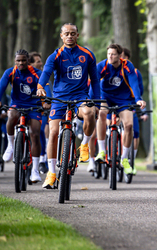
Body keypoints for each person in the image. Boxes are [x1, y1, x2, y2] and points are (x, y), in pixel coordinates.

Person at [36, 23, 100, 189]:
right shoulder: (55, 55)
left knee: (89, 113)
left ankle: (84, 145)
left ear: (77, 35)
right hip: (60, 98)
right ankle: (51, 174)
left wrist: (97, 100)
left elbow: (94, 79)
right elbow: (46, 73)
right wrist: (40, 87)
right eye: (66, 34)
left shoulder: (87, 55)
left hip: (80, 96)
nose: (70, 36)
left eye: (73, 33)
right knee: (54, 131)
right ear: (61, 36)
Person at [0, 49, 50, 183]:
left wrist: (47, 101)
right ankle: (10, 146)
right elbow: (2, 86)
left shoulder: (37, 73)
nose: (21, 63)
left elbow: (46, 87)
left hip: (34, 105)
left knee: (35, 133)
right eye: (18, 60)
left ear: (28, 60)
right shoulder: (10, 72)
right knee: (11, 117)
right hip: (17, 104)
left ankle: (34, 170)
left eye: (23, 60)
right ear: (15, 60)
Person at [95, 44, 146, 175]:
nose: (110, 57)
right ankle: (101, 151)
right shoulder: (102, 65)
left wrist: (138, 99)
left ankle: (124, 159)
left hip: (124, 99)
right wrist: (91, 99)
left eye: (113, 54)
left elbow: (134, 82)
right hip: (106, 96)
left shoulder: (127, 65)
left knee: (129, 126)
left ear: (119, 55)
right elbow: (94, 82)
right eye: (108, 54)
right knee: (102, 113)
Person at [121, 48, 148, 160]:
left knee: (134, 131)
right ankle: (111, 149)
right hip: (116, 102)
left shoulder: (135, 72)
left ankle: (131, 159)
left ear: (127, 57)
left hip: (130, 103)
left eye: (121, 56)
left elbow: (139, 91)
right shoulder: (112, 69)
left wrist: (142, 109)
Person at [29, 52, 50, 174]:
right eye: (37, 61)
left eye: (41, 61)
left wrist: (47, 105)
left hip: (41, 110)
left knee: (40, 130)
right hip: (26, 108)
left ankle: (42, 159)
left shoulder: (44, 76)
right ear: (30, 63)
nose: (41, 63)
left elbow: (49, 94)